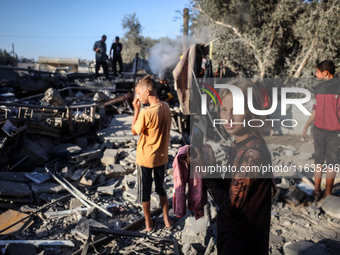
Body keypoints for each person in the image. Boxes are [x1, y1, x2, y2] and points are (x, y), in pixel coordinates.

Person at [192, 79, 274, 255]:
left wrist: (206, 172)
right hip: (232, 237)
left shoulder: (253, 153)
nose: (228, 118)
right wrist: (212, 167)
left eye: (235, 110)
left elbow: (230, 207)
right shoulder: (238, 144)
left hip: (244, 244)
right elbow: (231, 193)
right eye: (223, 109)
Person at [131, 75, 174, 232]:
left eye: (139, 93)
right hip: (161, 157)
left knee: (145, 192)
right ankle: (167, 220)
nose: (138, 97)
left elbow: (134, 131)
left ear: (147, 92)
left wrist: (136, 110)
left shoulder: (145, 112)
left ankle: (149, 224)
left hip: (145, 159)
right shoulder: (166, 107)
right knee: (161, 188)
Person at [302, 60, 339, 201]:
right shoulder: (317, 88)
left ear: (325, 73)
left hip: (335, 132)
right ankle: (317, 190)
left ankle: (328, 193)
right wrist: (306, 126)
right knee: (318, 159)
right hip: (318, 130)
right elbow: (315, 110)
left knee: (332, 161)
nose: (315, 74)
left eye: (317, 71)